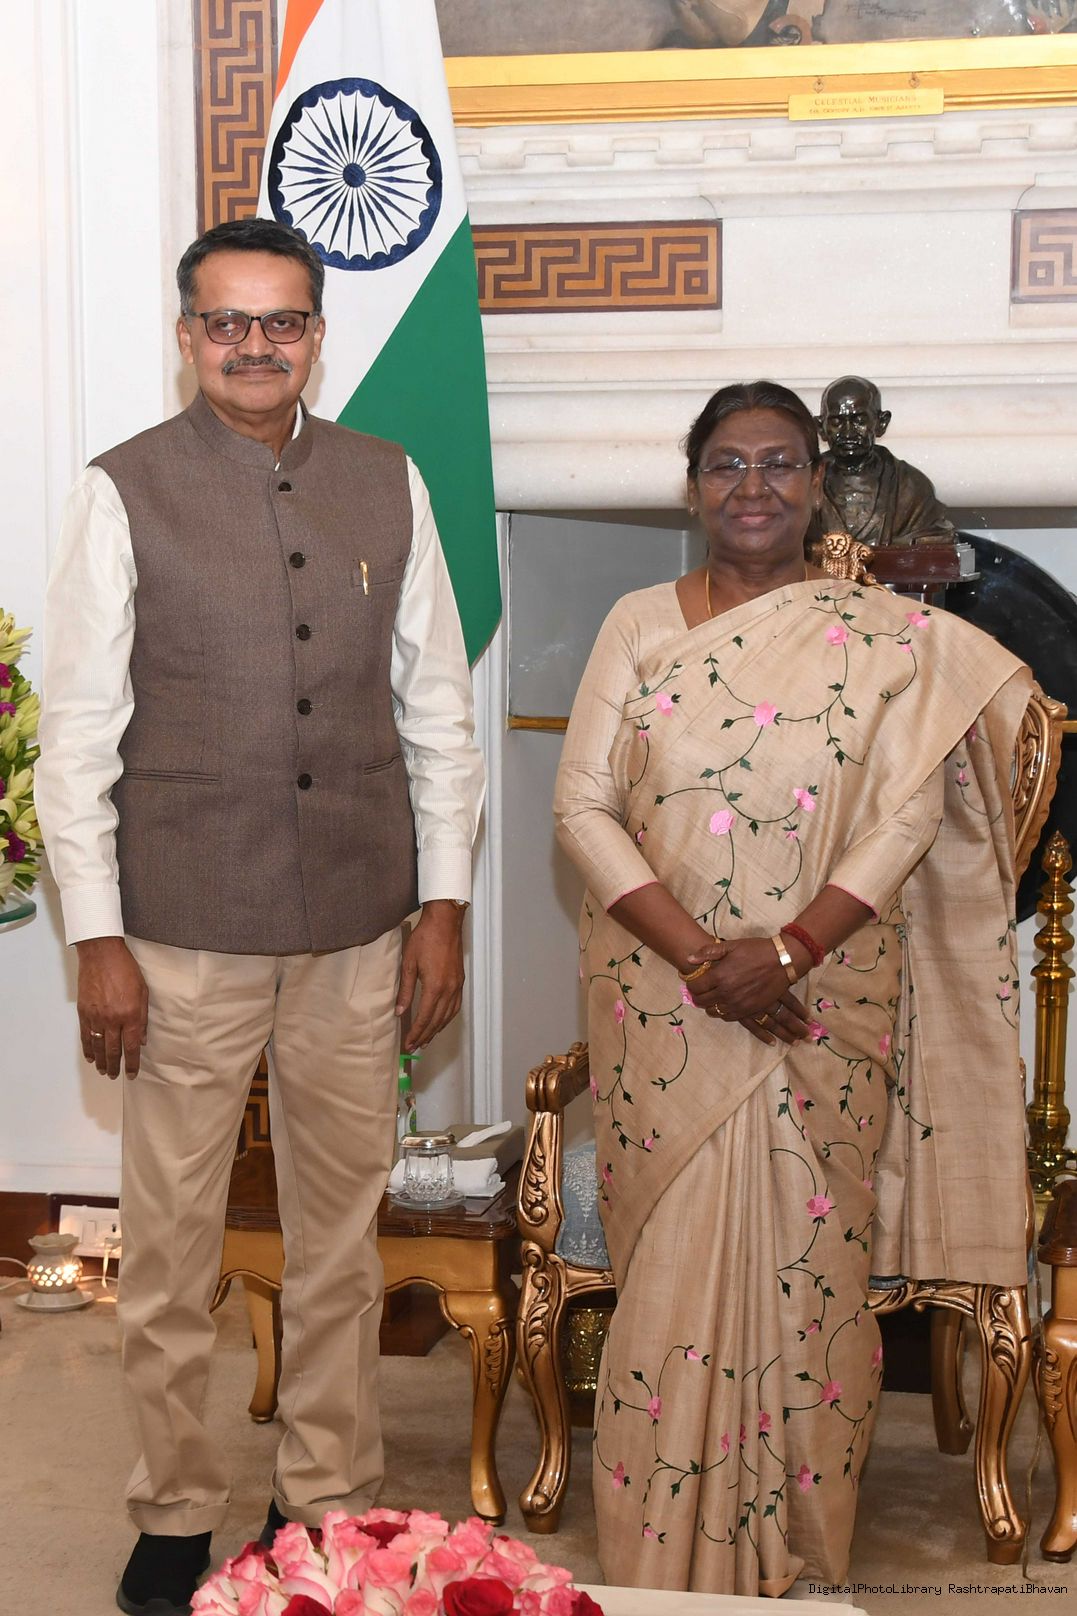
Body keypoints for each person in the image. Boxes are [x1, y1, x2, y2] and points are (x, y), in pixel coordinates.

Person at [35, 217, 484, 1616]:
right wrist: (96, 938)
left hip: (359, 926)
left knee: (340, 1242)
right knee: (171, 1251)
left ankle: (325, 1500)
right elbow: (77, 735)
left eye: (280, 321)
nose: (253, 345)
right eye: (226, 322)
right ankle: (176, 1510)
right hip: (179, 931)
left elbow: (438, 705)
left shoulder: (387, 480)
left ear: (316, 335)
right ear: (188, 335)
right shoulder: (124, 490)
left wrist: (445, 903)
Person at [553, 381, 1030, 1595]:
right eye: (727, 463)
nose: (752, 485)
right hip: (666, 1007)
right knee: (670, 1279)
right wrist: (704, 957)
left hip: (823, 1002)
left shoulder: (888, 638)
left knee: (814, 1280)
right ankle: (659, 1574)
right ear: (692, 486)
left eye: (778, 462)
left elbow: (904, 814)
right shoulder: (635, 622)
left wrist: (790, 951)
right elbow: (582, 808)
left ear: (817, 483)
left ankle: (799, 1566)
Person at [810, 374, 954, 550]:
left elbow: (934, 541)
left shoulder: (911, 487)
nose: (848, 433)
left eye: (859, 421)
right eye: (836, 422)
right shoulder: (803, 483)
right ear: (821, 428)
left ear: (881, 423)